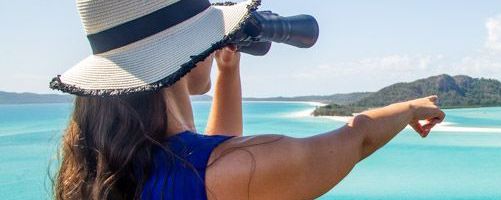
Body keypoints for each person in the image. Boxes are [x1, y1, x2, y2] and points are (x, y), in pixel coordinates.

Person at [50, 0, 444, 199]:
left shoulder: (100, 169)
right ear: (184, 47)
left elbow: (214, 159)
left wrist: (229, 72)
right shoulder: (227, 172)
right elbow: (356, 139)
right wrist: (409, 108)